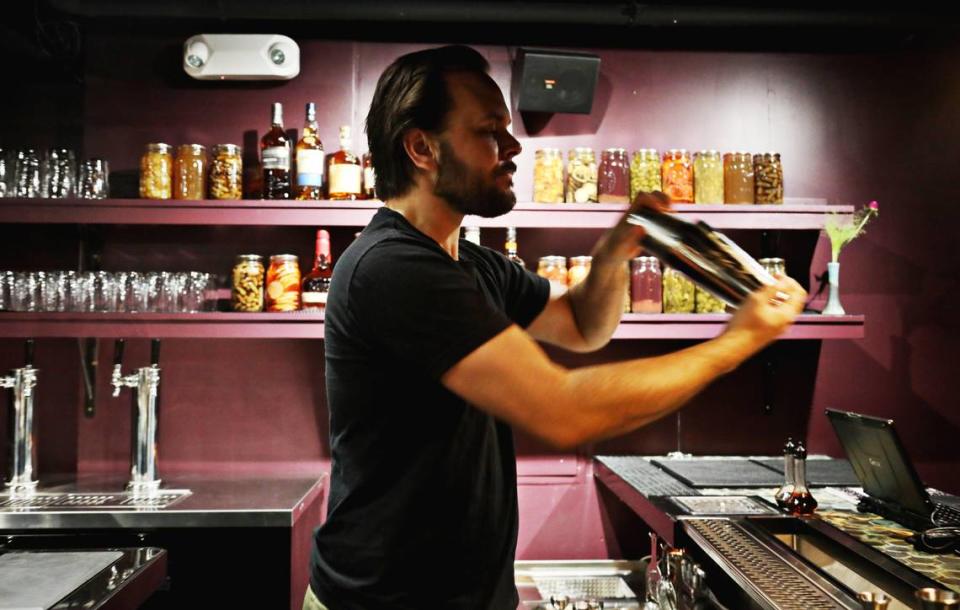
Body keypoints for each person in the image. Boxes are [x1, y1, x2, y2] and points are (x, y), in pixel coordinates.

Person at [305, 45, 806, 610]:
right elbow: (565, 409)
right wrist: (738, 342)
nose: (514, 146)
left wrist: (616, 249)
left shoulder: (473, 265)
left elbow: (582, 326)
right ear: (422, 148)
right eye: (491, 130)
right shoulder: (392, 268)